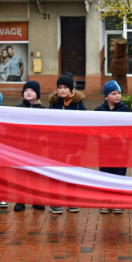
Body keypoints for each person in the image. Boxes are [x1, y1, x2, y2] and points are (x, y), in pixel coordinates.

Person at [47, 73, 85, 215]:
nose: (62, 90)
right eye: (60, 87)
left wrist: (82, 147)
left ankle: (72, 200)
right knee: (55, 174)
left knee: (72, 174)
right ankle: (55, 202)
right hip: (56, 145)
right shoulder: (53, 103)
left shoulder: (78, 105)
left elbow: (84, 127)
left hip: (73, 145)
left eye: (65, 87)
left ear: (71, 89)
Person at [96, 80, 130, 215]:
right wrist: (101, 135)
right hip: (104, 150)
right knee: (105, 175)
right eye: (113, 93)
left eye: (119, 93)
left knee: (119, 175)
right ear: (106, 96)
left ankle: (118, 202)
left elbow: (129, 129)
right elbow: (94, 129)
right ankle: (106, 201)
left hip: (121, 150)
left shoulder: (125, 109)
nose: (117, 96)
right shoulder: (99, 111)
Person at [11, 81, 46, 213]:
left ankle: (36, 200)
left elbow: (46, 130)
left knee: (35, 175)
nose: (29, 92)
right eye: (26, 90)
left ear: (37, 93)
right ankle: (20, 200)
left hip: (36, 149)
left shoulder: (43, 110)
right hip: (21, 147)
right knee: (21, 175)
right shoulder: (18, 108)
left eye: (32, 90)